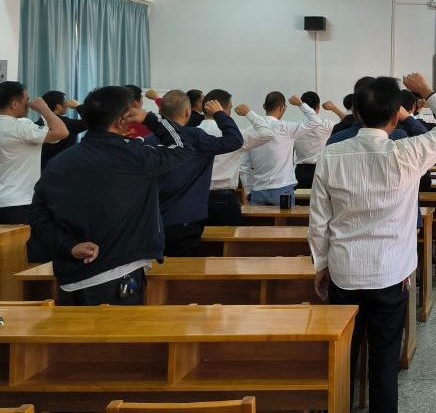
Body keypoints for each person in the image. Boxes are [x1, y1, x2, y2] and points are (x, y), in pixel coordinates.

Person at [309, 73, 436, 413]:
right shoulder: (408, 152)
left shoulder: (331, 155)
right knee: (384, 362)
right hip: (390, 274)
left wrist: (321, 265)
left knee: (343, 357)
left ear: (356, 114)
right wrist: (427, 91)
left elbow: (319, 221)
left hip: (344, 272)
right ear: (396, 116)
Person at [29, 85, 192, 305]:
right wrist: (150, 118)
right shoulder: (135, 156)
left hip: (71, 279)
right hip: (118, 276)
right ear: (123, 120)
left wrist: (68, 246)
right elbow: (184, 147)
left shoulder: (59, 163)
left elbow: (38, 216)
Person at [145, 90, 243, 256]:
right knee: (186, 269)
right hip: (185, 220)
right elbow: (235, 140)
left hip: (152, 221)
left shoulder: (148, 141)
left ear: (160, 112)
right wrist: (219, 114)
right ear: (187, 112)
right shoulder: (195, 138)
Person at [0, 81, 69, 262]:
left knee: (4, 262)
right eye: (27, 100)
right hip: (19, 203)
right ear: (14, 104)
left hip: (5, 201)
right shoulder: (21, 126)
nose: (28, 104)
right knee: (26, 258)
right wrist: (44, 109)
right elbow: (62, 132)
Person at [197, 89, 275, 225]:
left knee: (200, 238)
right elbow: (267, 133)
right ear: (222, 110)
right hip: (224, 199)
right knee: (228, 237)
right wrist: (249, 113)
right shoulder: (236, 136)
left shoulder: (193, 133)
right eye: (230, 108)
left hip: (197, 196)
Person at [240, 91, 321, 205]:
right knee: (287, 217)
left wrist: (249, 191)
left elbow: (244, 167)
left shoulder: (250, 131)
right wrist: (300, 104)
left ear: (264, 106)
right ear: (282, 108)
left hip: (257, 190)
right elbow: (316, 121)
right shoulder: (286, 128)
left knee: (259, 218)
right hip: (282, 189)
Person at [292, 91, 336, 190]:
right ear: (318, 107)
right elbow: (348, 123)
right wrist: (334, 108)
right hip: (321, 170)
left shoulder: (296, 127)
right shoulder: (327, 125)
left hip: (301, 172)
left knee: (300, 199)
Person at [36, 90, 88, 170]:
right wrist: (78, 106)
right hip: (63, 168)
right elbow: (91, 122)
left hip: (42, 169)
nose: (67, 106)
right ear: (58, 106)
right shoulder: (66, 123)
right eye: (65, 103)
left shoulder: (36, 124)